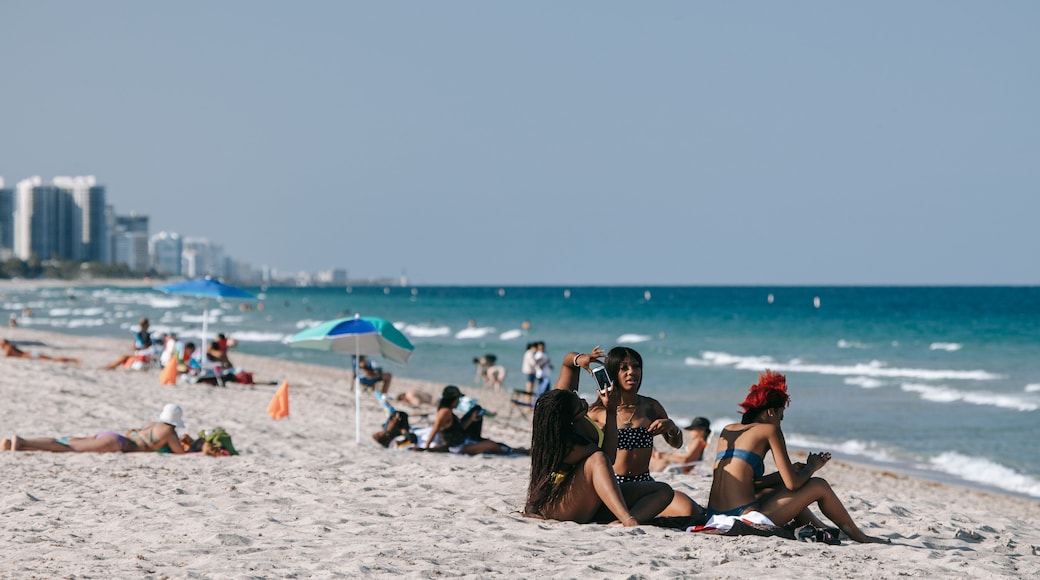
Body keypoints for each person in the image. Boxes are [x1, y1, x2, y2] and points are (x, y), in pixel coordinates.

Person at [705, 370, 890, 544]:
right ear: (771, 411)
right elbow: (793, 485)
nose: (781, 421)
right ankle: (861, 537)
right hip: (746, 518)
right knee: (818, 485)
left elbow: (747, 484)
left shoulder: (728, 429)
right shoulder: (770, 430)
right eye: (781, 415)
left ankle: (823, 527)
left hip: (713, 515)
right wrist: (812, 466)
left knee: (778, 489)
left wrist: (786, 473)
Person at [523, 388, 674, 526]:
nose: (584, 402)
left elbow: (608, 457)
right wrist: (610, 412)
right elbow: (607, 457)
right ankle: (628, 520)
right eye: (580, 405)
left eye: (579, 398)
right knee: (597, 458)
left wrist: (610, 411)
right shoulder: (566, 445)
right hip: (558, 505)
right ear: (568, 417)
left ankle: (623, 522)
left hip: (586, 501)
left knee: (663, 491)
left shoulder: (578, 424)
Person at [586, 346, 702, 518]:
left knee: (690, 510)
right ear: (611, 373)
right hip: (614, 486)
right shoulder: (598, 412)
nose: (631, 372)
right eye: (624, 368)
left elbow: (676, 444)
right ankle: (629, 519)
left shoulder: (651, 406)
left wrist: (671, 428)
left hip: (645, 484)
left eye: (636, 366)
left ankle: (630, 518)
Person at [2, 404, 188, 454]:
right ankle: (23, 441)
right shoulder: (169, 432)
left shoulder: (153, 424)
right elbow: (179, 452)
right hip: (117, 443)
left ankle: (20, 444)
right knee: (70, 449)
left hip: (113, 436)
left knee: (66, 442)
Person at [417, 385, 523, 455]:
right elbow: (435, 429)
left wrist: (471, 419)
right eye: (458, 399)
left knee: (491, 443)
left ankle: (515, 451)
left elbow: (457, 429)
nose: (458, 402)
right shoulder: (445, 412)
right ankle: (510, 453)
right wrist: (426, 448)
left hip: (461, 442)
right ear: (452, 399)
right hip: (457, 448)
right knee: (491, 445)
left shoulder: (448, 411)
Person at [0, 339, 80, 364]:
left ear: (4, 343)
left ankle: (72, 360)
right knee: (52, 359)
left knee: (53, 360)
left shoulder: (8, 347)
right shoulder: (10, 347)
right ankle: (72, 360)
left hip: (30, 355)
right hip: (31, 354)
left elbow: (6, 356)